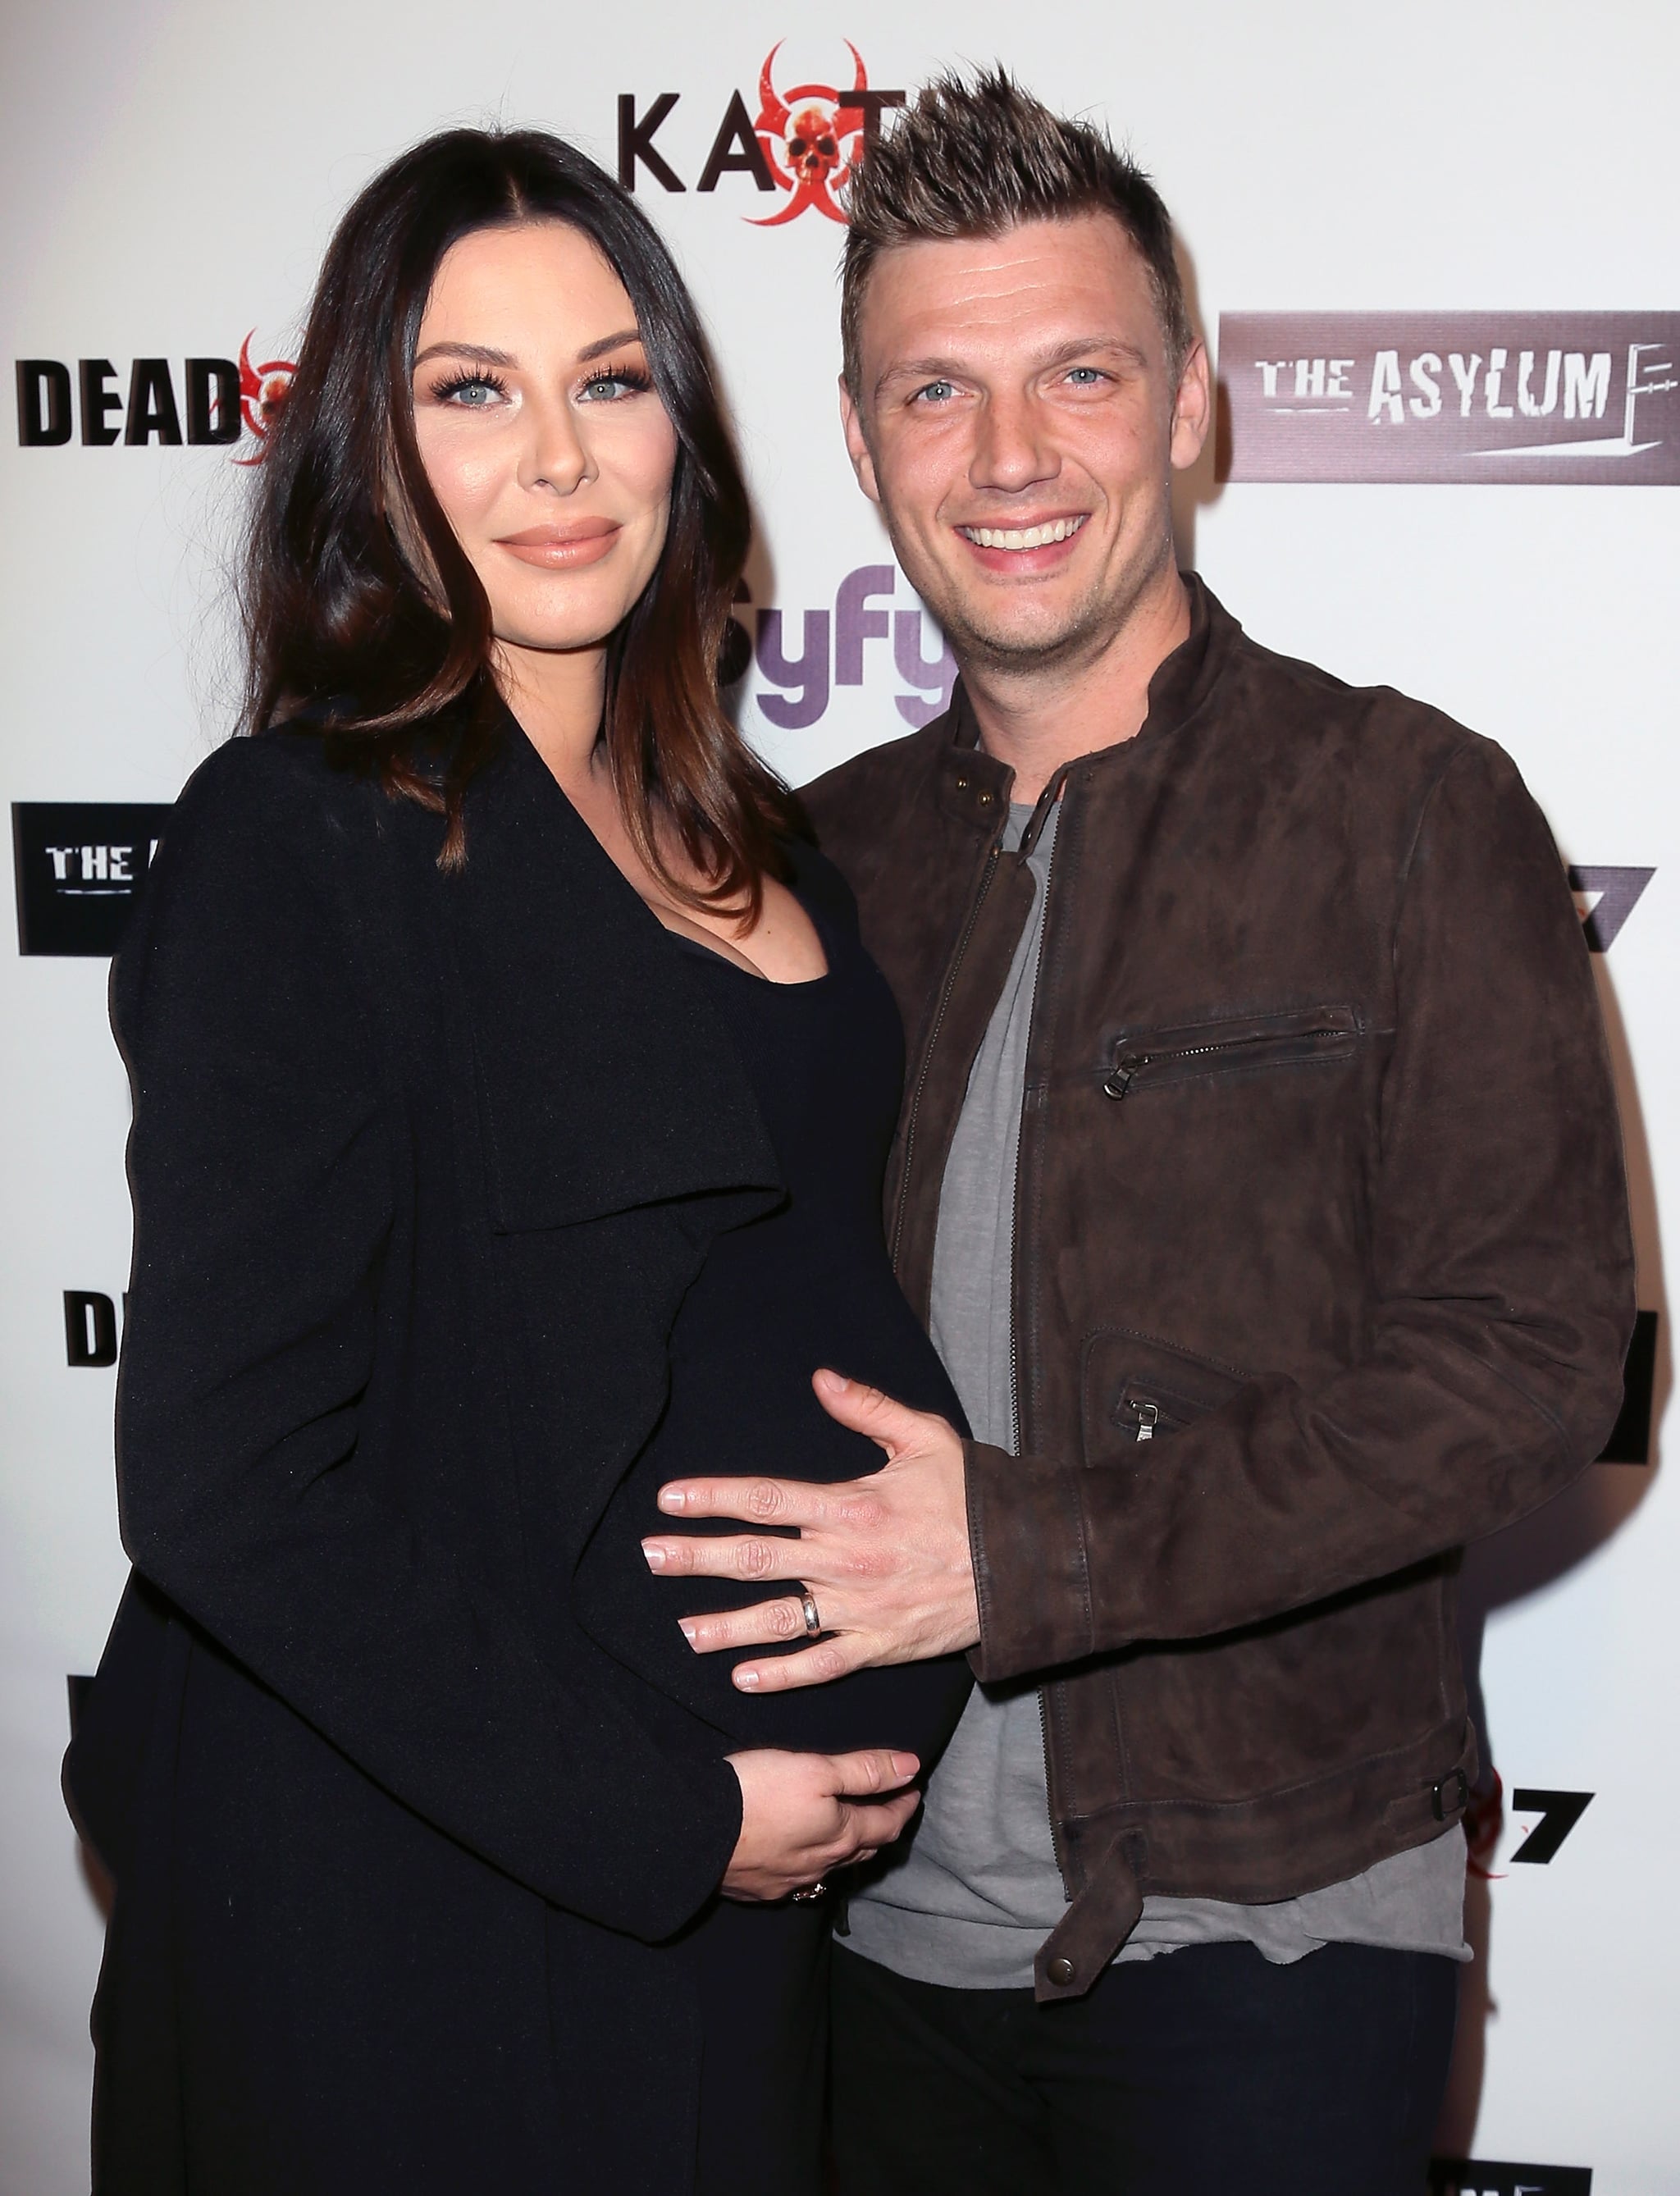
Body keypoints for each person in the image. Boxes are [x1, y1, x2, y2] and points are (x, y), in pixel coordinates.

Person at [635, 72, 1637, 2194]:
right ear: (859, 442)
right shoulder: (808, 866)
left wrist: (1030, 1550)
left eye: (1079, 373)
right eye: (936, 392)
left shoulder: (1412, 814)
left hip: (1267, 1932)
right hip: (866, 1944)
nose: (1010, 459)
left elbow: (1536, 1364)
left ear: (1190, 403)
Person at [61, 126, 971, 2196]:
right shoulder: (304, 839)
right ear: (368, 453)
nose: (557, 459)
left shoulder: (770, 838)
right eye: (471, 389)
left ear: (683, 429)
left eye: (609, 380)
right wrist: (664, 1811)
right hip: (423, 1916)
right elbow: (229, 1486)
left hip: (720, 1919)